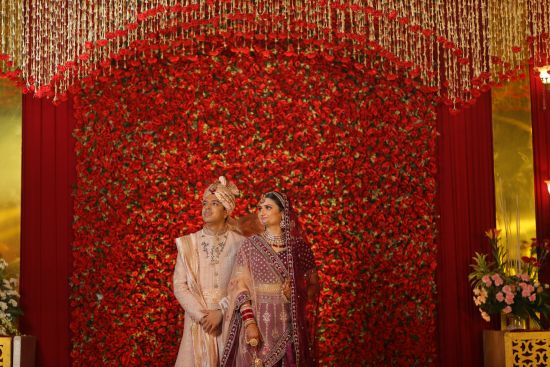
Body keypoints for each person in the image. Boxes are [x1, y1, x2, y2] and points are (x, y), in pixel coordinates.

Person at [220, 191, 320, 367]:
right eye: (260, 208)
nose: (261, 212)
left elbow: (314, 285)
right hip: (257, 323)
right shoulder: (250, 245)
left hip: (290, 326)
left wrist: (297, 292)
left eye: (268, 207)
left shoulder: (298, 247)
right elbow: (239, 286)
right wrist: (249, 321)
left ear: (283, 213)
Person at [173, 176, 246, 367]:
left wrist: (221, 313)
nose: (207, 207)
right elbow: (179, 286)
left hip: (228, 319)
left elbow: (243, 285)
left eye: (214, 203)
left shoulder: (241, 244)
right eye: (204, 203)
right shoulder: (189, 243)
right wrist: (202, 316)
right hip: (198, 321)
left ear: (226, 210)